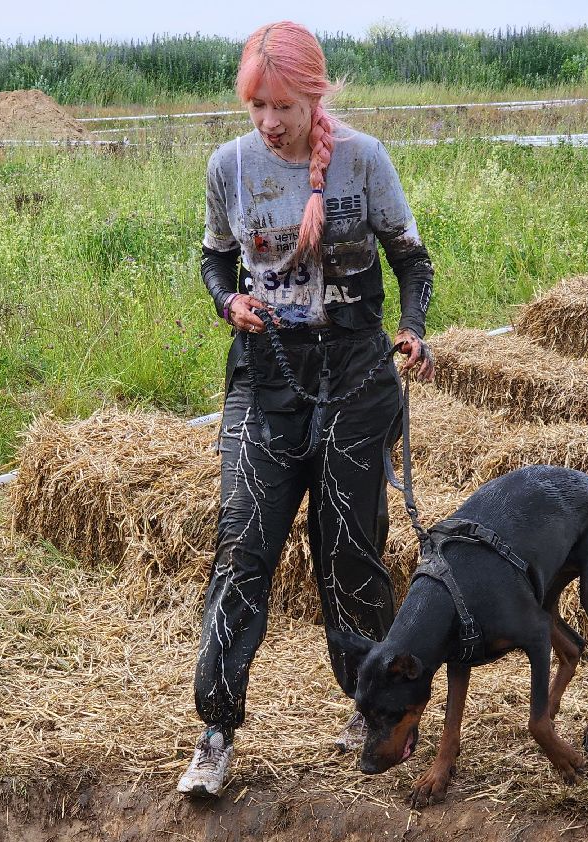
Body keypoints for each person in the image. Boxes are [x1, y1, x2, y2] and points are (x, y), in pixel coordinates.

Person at [178, 21, 436, 796]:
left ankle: (372, 706)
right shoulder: (230, 167)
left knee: (351, 547)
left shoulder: (364, 161)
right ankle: (216, 731)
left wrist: (413, 330)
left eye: (282, 105)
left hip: (357, 376)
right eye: (257, 106)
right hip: (268, 378)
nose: (269, 121)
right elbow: (214, 257)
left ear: (313, 94)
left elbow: (412, 262)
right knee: (243, 547)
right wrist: (230, 303)